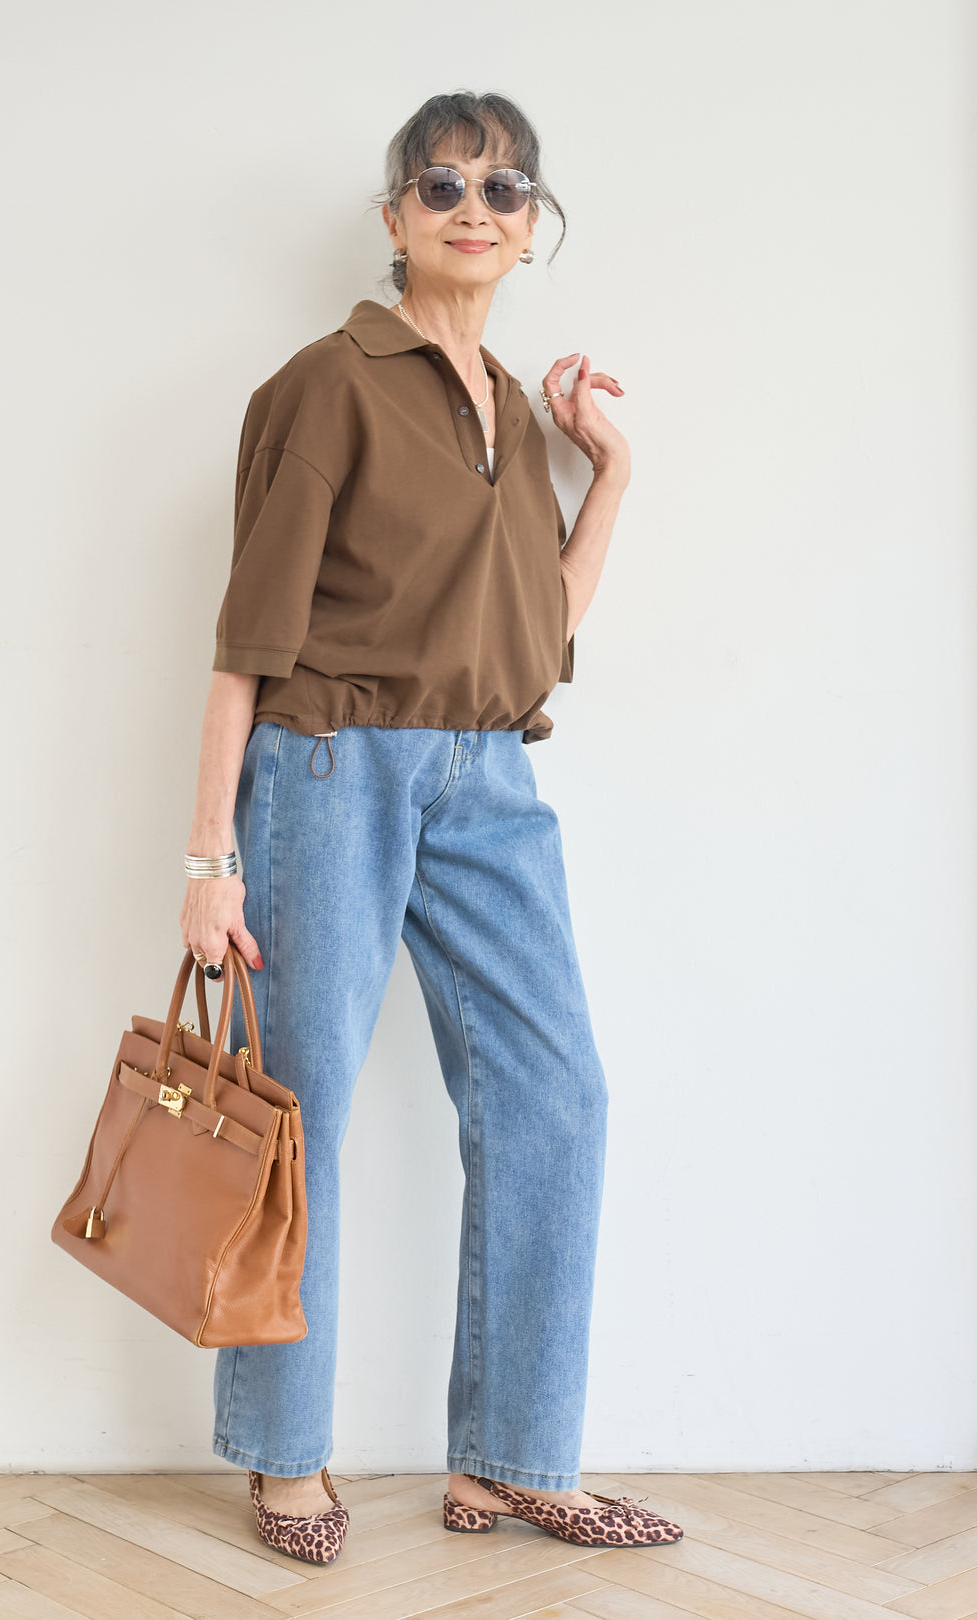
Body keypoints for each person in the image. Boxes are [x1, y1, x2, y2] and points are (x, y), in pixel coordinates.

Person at [179, 89, 684, 1565]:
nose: (475, 206)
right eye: (444, 183)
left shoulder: (515, 413)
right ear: (396, 216)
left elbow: (540, 637)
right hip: (332, 767)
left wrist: (611, 473)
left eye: (504, 188)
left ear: (534, 229)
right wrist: (208, 857)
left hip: (492, 778)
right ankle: (284, 1456)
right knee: (304, 1113)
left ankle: (510, 1463)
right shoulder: (327, 383)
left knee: (556, 1096)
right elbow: (245, 641)